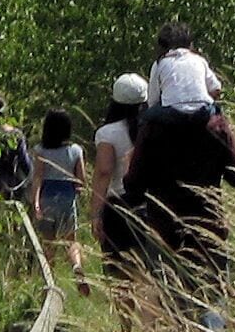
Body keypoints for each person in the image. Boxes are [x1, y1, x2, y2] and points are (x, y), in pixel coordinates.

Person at [124, 80, 235, 332]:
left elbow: (132, 186)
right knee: (213, 298)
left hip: (166, 231)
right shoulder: (216, 125)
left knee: (175, 302)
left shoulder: (153, 129)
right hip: (209, 229)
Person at [88, 72, 148, 295]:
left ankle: (125, 328)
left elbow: (104, 172)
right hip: (148, 204)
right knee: (146, 271)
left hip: (118, 208)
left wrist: (95, 214)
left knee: (119, 273)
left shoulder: (108, 133)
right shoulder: (152, 128)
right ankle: (149, 325)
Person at [27, 108, 86, 278]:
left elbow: (37, 177)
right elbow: (81, 180)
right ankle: (76, 265)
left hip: (46, 197)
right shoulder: (76, 150)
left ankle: (49, 277)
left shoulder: (40, 150)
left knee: (48, 241)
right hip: (67, 197)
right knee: (71, 240)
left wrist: (36, 202)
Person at [145, 20, 222, 127]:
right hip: (202, 113)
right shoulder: (199, 60)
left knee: (146, 117)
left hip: (172, 115)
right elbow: (216, 89)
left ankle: (137, 144)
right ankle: (230, 143)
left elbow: (152, 101)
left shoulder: (159, 64)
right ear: (190, 44)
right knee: (220, 119)